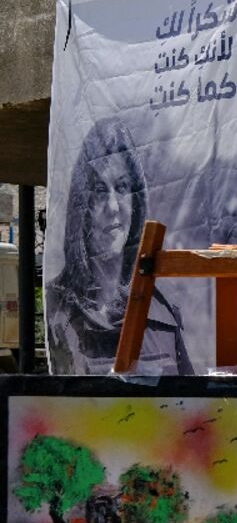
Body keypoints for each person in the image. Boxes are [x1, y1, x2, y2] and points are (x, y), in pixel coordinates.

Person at [46, 117, 192, 375]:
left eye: (122, 187)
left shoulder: (163, 310)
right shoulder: (58, 308)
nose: (113, 207)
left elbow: (192, 408)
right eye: (100, 190)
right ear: (83, 205)